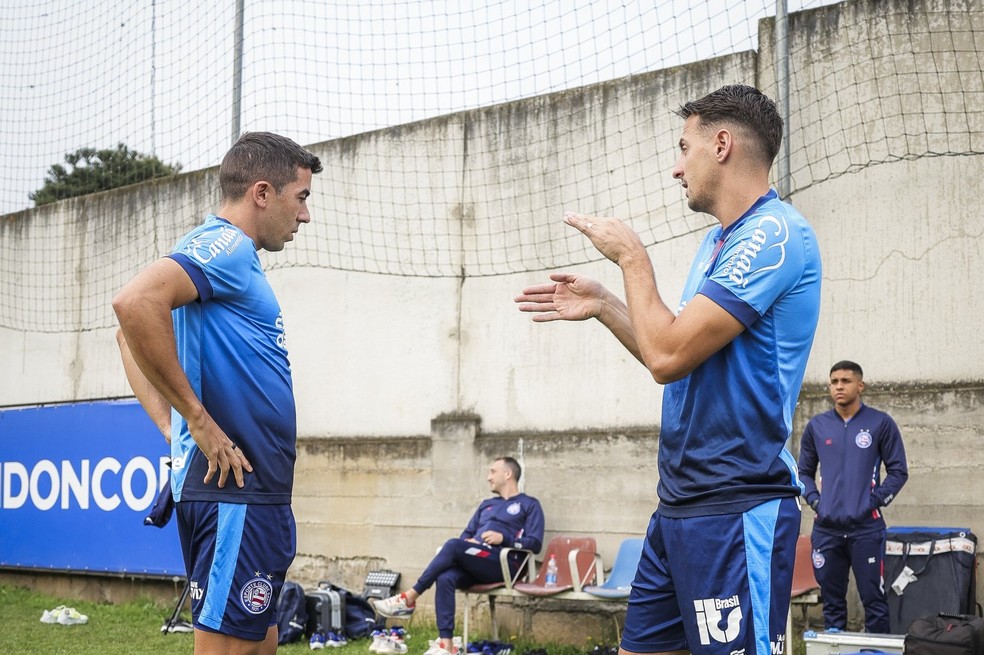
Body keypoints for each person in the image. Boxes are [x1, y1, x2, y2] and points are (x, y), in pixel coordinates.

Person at [514, 84, 822, 655]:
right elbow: (676, 354)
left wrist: (632, 257)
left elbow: (666, 356)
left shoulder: (774, 234)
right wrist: (607, 304)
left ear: (722, 144)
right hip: (680, 504)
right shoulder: (717, 243)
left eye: (684, 148)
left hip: (738, 506)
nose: (676, 168)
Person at [112, 131, 323, 655]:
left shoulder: (235, 257)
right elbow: (134, 306)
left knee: (259, 645)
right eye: (301, 198)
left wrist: (175, 429)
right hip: (235, 496)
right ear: (261, 192)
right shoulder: (223, 244)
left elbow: (126, 338)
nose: (305, 216)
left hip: (257, 496)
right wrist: (195, 424)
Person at [373, 457, 544, 655]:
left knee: (453, 545)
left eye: (492, 472)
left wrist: (503, 538)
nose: (488, 477)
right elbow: (465, 536)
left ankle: (410, 597)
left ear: (508, 474)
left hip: (503, 565)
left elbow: (535, 544)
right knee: (445, 577)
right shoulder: (486, 505)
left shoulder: (529, 504)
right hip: (477, 561)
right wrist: (470, 543)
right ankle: (447, 644)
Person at [798, 361, 908, 634]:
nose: (839, 386)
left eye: (845, 381)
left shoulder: (880, 423)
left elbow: (898, 472)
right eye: (834, 381)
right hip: (827, 530)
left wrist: (873, 501)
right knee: (832, 604)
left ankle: (875, 651)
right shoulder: (817, 426)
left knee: (874, 601)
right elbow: (803, 473)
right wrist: (815, 501)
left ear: (860, 385)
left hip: (866, 529)